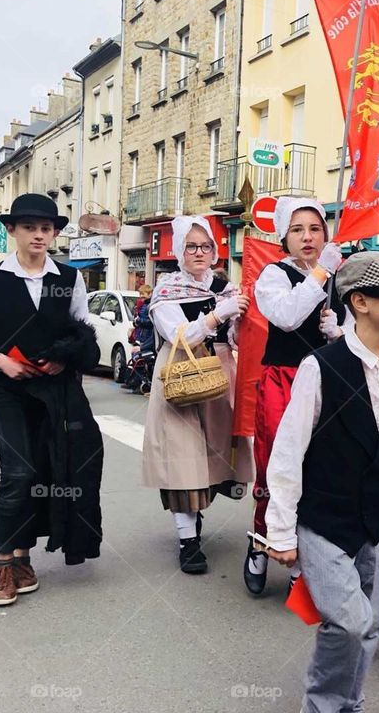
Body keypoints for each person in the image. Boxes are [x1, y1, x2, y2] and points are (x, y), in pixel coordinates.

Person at [263, 252, 379, 713]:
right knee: (350, 622)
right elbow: (288, 453)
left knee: (372, 623)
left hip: (375, 520)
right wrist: (279, 530)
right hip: (324, 521)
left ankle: (349, 703)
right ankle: (321, 705)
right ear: (359, 301)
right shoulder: (322, 366)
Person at [0, 193, 103, 606]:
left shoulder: (70, 279)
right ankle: (4, 562)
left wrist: (65, 358)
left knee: (47, 471)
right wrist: (0, 360)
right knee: (18, 472)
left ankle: (23, 558)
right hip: (9, 390)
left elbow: (82, 330)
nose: (39, 235)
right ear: (12, 232)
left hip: (55, 391)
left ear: (54, 233)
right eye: (30, 228)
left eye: (46, 228)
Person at [243, 198, 345, 595]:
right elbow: (286, 316)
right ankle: (260, 541)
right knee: (276, 468)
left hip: (325, 382)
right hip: (282, 382)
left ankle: (301, 563)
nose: (308, 237)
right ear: (284, 235)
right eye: (298, 229)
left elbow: (354, 333)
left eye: (315, 229)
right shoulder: (274, 274)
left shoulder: (335, 275)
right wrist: (320, 274)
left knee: (318, 471)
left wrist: (338, 330)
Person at [141, 216, 254, 574]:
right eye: (191, 246)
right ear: (178, 251)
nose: (200, 252)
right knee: (183, 460)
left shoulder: (224, 287)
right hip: (180, 378)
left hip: (220, 379)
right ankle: (188, 541)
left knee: (212, 458)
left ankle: (197, 512)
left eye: (206, 246)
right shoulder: (167, 289)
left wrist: (238, 321)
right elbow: (178, 337)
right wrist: (217, 316)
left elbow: (236, 341)